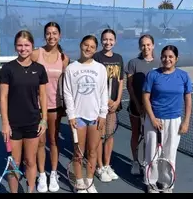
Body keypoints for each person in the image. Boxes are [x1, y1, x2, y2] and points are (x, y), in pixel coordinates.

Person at [0, 30, 48, 193]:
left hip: (33, 122)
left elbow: (43, 96)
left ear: (32, 46)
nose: (23, 48)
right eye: (20, 45)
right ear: (15, 47)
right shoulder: (8, 69)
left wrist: (44, 119)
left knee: (30, 161)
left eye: (27, 45)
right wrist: (5, 123)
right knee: (14, 163)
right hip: (14, 125)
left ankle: (30, 190)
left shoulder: (40, 69)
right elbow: (3, 97)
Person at [142, 45, 192, 193]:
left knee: (169, 154)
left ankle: (166, 183)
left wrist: (186, 121)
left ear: (176, 58)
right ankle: (151, 183)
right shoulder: (152, 75)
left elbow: (188, 99)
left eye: (170, 57)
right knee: (152, 154)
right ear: (160, 57)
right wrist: (152, 118)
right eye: (164, 56)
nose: (167, 59)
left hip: (174, 121)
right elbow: (145, 97)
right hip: (154, 120)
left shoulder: (184, 76)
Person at [63, 35, 108, 193]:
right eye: (85, 45)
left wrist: (103, 114)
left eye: (92, 47)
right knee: (78, 152)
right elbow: (67, 93)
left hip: (95, 118)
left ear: (95, 49)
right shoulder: (71, 68)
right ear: (80, 45)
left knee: (93, 151)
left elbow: (104, 92)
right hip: (78, 119)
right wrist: (71, 115)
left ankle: (89, 182)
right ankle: (80, 183)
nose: (88, 49)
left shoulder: (100, 69)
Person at [31, 22, 69, 193]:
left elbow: (67, 84)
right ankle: (41, 174)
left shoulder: (64, 58)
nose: (51, 36)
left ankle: (53, 173)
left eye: (54, 33)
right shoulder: (36, 54)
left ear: (59, 36)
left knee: (53, 141)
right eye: (48, 33)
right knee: (40, 142)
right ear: (44, 35)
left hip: (56, 107)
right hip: (37, 108)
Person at [125, 34, 159, 175]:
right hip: (135, 107)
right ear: (140, 46)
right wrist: (138, 104)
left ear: (153, 45)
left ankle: (147, 162)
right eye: (143, 45)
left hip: (153, 109)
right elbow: (130, 86)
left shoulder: (159, 63)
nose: (146, 47)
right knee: (135, 134)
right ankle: (135, 162)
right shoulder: (133, 63)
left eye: (148, 44)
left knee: (149, 137)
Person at [93, 29, 123, 183]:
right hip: (100, 106)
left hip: (113, 106)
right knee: (100, 136)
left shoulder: (118, 58)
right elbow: (95, 81)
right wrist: (106, 101)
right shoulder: (96, 57)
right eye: (105, 39)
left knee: (110, 136)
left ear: (115, 41)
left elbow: (120, 80)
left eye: (111, 39)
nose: (108, 42)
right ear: (101, 40)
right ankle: (98, 167)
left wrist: (117, 101)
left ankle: (106, 165)